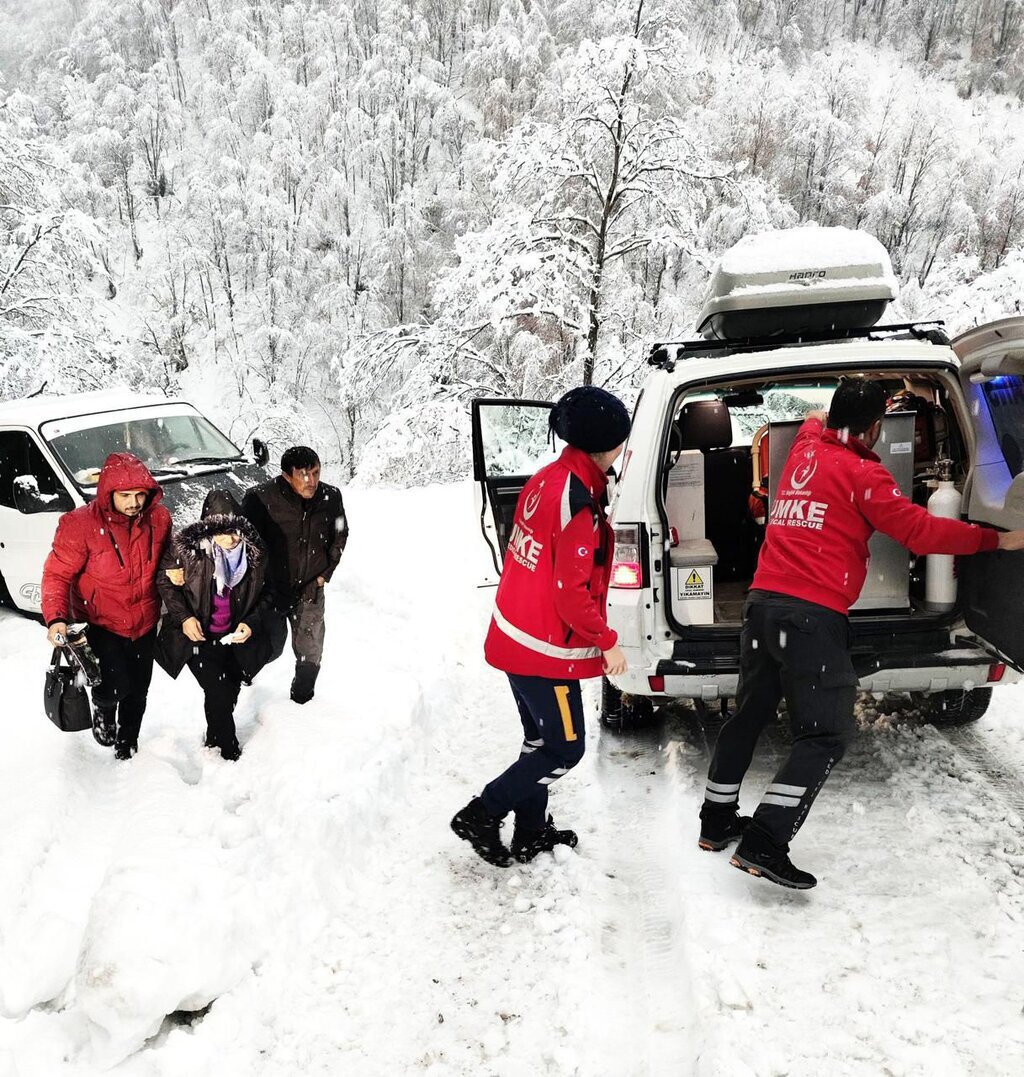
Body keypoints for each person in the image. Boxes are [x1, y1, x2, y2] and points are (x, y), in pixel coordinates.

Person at [699, 379, 1024, 889]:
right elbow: (921, 531)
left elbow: (812, 420)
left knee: (750, 714)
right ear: (875, 429)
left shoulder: (806, 447)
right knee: (825, 734)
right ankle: (765, 841)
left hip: (761, 606)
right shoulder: (864, 476)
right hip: (810, 615)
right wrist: (997, 540)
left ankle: (715, 822)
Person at [451, 386, 631, 866]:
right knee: (564, 751)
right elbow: (571, 594)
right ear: (609, 445)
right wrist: (607, 643)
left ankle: (530, 832)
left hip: (517, 636)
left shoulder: (547, 478)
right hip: (545, 653)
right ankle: (481, 814)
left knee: (538, 743)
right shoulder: (576, 502)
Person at [42, 452, 172, 760]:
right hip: (100, 622)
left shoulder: (160, 519)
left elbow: (171, 561)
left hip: (144, 621)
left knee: (139, 689)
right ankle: (103, 711)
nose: (134, 503)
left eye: (140, 494)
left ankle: (128, 742)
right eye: (125, 495)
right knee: (113, 686)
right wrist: (56, 618)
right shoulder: (79, 525)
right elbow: (57, 574)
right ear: (107, 493)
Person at [155, 490, 276, 761]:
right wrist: (184, 618)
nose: (231, 539)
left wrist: (250, 623)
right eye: (222, 532)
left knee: (229, 689)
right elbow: (164, 583)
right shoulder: (186, 551)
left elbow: (269, 592)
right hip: (197, 638)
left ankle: (213, 735)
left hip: (233, 637)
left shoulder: (256, 554)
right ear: (208, 530)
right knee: (218, 690)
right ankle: (229, 751)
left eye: (235, 531)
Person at [240, 446, 348, 704]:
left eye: (315, 472)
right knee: (269, 644)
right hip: (271, 589)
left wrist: (324, 574)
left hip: (311, 587)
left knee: (310, 648)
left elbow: (341, 533)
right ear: (287, 475)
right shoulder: (260, 498)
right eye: (304, 474)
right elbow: (245, 545)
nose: (311, 481)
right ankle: (244, 674)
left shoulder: (331, 497)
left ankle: (302, 699)